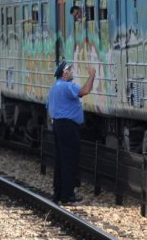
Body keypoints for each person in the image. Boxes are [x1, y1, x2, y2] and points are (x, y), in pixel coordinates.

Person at [47, 61, 95, 204]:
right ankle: (67, 195)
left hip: (57, 125)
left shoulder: (54, 87)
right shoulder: (68, 86)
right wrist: (92, 75)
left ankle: (58, 193)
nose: (72, 72)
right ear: (64, 73)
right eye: (70, 70)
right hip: (68, 127)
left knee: (60, 160)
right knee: (69, 160)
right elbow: (84, 91)